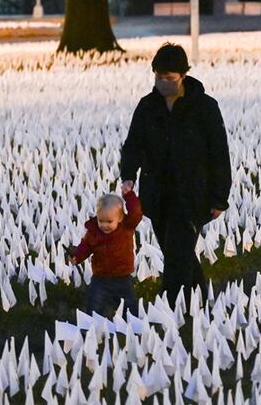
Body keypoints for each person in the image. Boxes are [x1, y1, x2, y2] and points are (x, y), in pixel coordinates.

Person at [120, 43, 232, 304]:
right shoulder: (148, 107)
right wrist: (128, 174)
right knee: (176, 252)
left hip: (192, 194)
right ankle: (200, 301)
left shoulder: (204, 107)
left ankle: (168, 307)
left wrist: (219, 197)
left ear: (183, 75)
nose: (162, 83)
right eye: (158, 77)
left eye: (168, 78)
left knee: (178, 252)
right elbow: (134, 143)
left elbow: (219, 153)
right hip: (157, 194)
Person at [67, 183, 143, 317]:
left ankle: (133, 330)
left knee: (129, 306)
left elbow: (136, 213)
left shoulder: (126, 227)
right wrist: (77, 256)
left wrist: (129, 195)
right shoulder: (94, 232)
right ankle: (92, 328)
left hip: (123, 277)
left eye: (109, 221)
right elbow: (86, 245)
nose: (104, 225)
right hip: (101, 278)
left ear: (120, 218)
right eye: (100, 221)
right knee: (94, 303)